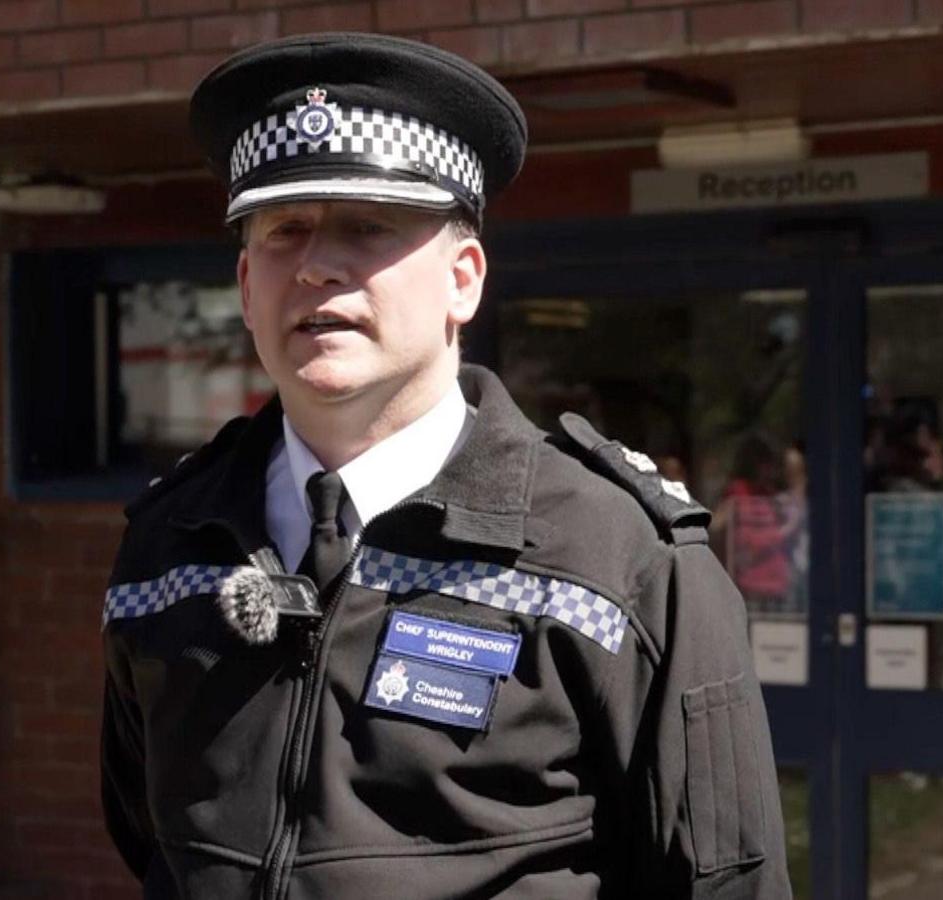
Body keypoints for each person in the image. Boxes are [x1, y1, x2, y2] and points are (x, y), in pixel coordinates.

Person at [100, 32, 789, 898]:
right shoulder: (170, 543)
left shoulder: (619, 560)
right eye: (285, 231)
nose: (316, 266)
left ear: (464, 279)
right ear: (245, 285)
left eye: (367, 227)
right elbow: (149, 834)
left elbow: (725, 880)